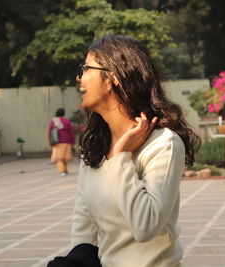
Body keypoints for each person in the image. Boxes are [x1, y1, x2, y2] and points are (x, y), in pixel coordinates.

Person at [70, 35, 200, 267]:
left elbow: (145, 226)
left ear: (113, 78)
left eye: (85, 69)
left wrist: (121, 158)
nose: (79, 77)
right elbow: (83, 227)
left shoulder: (163, 145)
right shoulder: (94, 146)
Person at [48, 108, 75, 176]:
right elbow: (71, 132)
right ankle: (65, 169)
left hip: (58, 142)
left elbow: (50, 132)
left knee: (59, 158)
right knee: (66, 157)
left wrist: (49, 141)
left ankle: (62, 171)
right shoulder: (67, 121)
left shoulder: (53, 121)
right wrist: (73, 141)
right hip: (67, 141)